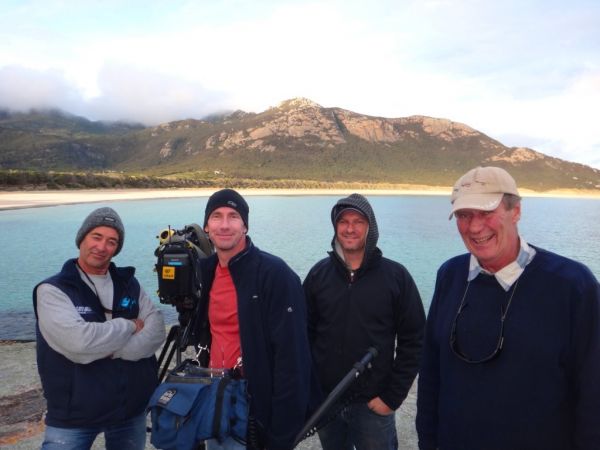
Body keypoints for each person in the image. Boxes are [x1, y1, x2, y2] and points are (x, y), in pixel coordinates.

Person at [416, 166, 600, 450]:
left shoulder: (573, 285)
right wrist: (427, 441)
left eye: (486, 212)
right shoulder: (450, 275)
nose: (475, 227)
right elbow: (431, 370)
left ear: (516, 211)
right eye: (464, 215)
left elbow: (592, 392)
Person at [33, 207, 166, 450]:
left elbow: (156, 330)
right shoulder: (53, 290)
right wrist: (128, 326)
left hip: (130, 410)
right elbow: (79, 343)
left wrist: (109, 349)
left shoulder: (129, 284)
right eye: (96, 237)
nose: (102, 247)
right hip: (73, 416)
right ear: (81, 238)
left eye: (111, 241)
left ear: (117, 248)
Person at [303, 193, 426, 450]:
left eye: (358, 221)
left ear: (370, 227)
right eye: (343, 221)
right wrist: (312, 388)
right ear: (335, 227)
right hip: (328, 401)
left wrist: (391, 398)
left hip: (373, 404)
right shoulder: (318, 275)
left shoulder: (396, 277)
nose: (350, 228)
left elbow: (414, 340)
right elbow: (305, 334)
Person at [195, 189, 315, 450]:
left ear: (245, 225)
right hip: (215, 396)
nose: (224, 224)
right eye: (216, 216)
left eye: (233, 216)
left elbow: (293, 358)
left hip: (254, 407)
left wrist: (282, 432)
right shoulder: (204, 272)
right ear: (206, 226)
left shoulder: (275, 274)